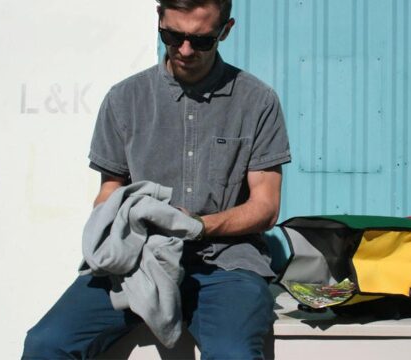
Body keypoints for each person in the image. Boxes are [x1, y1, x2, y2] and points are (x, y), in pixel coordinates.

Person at [21, 0, 291, 358]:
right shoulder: (124, 98)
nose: (184, 50)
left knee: (234, 354)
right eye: (171, 35)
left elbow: (266, 207)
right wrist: (112, 221)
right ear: (159, 20)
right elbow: (109, 188)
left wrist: (196, 225)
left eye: (202, 40)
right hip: (135, 260)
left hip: (226, 265)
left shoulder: (258, 101)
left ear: (225, 31)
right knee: (46, 343)